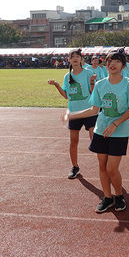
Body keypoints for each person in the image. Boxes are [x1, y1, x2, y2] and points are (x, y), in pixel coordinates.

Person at [64, 48, 129, 213]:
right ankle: (108, 197)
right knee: (102, 166)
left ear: (123, 66)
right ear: (106, 64)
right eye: (110, 61)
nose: (113, 64)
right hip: (101, 129)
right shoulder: (100, 85)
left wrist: (116, 123)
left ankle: (119, 195)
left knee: (112, 168)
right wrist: (72, 115)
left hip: (119, 130)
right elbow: (93, 110)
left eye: (118, 61)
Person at [48, 48, 97, 179]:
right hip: (74, 113)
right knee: (73, 141)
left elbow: (93, 93)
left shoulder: (88, 72)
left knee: (95, 140)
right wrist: (57, 85)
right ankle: (75, 167)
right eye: (72, 56)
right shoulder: (67, 76)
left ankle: (104, 167)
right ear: (68, 60)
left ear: (81, 59)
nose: (75, 58)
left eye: (77, 56)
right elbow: (66, 96)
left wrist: (92, 82)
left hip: (89, 112)